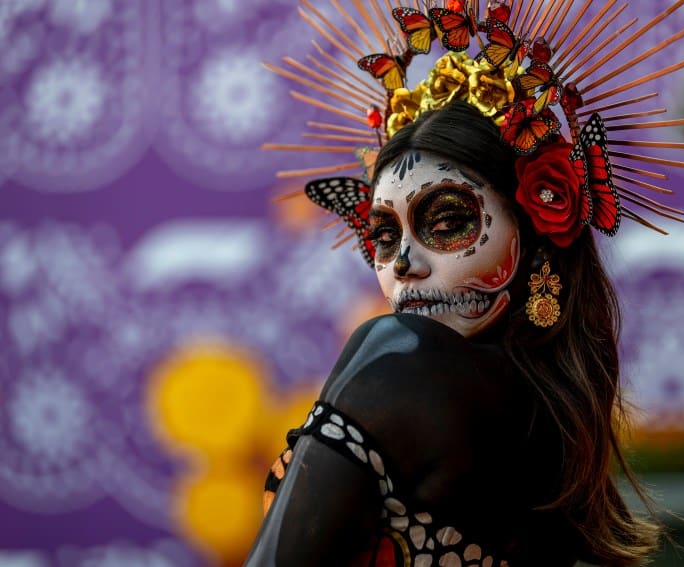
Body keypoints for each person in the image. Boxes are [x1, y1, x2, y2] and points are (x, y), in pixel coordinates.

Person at [245, 101, 659, 566]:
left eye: (445, 225)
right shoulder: (555, 426)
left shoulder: (400, 362)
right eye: (384, 236)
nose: (402, 264)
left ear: (537, 234)